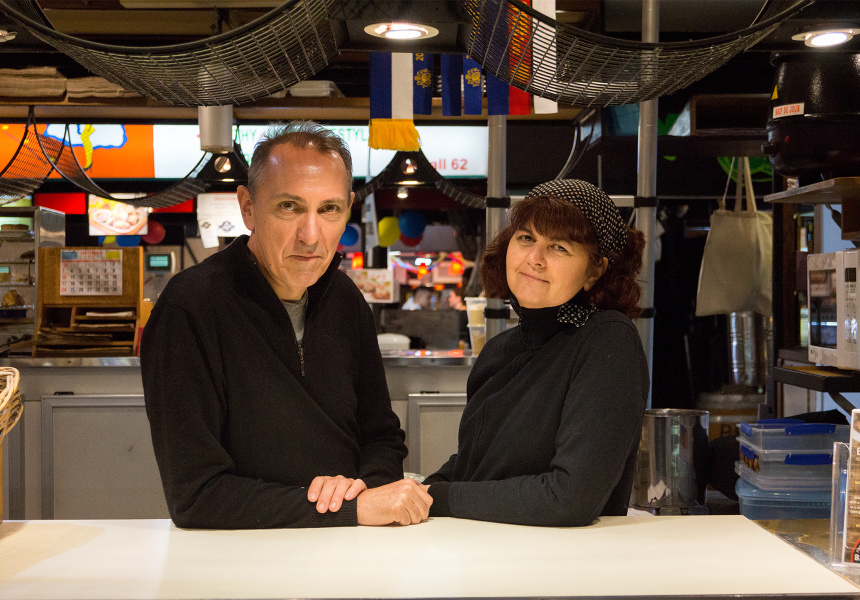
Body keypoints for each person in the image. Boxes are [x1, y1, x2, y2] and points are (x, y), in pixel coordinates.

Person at [141, 121, 431, 529]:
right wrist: (351, 509)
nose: (310, 236)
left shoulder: (346, 300)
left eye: (329, 209)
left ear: (347, 208)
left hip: (348, 547)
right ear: (248, 207)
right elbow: (196, 496)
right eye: (289, 207)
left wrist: (367, 489)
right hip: (237, 554)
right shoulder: (190, 307)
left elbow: (381, 437)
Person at [422, 179, 649, 527]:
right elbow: (478, 462)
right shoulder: (498, 350)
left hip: (558, 559)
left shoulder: (607, 340)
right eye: (527, 238)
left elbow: (570, 498)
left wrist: (439, 497)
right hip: (482, 549)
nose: (535, 259)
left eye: (559, 247)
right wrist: (421, 490)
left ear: (595, 271)